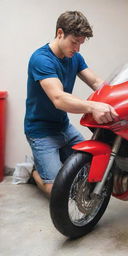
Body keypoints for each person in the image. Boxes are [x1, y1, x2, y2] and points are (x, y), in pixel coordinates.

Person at [24, 11, 118, 196]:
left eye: (80, 43)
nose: (77, 48)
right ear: (60, 33)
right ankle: (34, 172)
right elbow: (59, 98)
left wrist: (121, 94)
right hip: (41, 131)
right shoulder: (41, 59)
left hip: (63, 126)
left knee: (89, 166)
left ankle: (49, 164)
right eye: (74, 42)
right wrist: (93, 106)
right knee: (59, 192)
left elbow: (97, 83)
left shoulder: (74, 57)